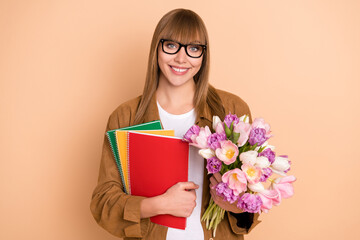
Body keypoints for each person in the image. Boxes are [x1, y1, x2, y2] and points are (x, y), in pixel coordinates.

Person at [90, 8, 260, 240]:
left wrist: (234, 205)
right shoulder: (126, 116)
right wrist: (158, 205)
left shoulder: (231, 110)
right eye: (171, 46)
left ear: (203, 54)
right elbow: (103, 203)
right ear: (156, 48)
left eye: (193, 49)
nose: (181, 58)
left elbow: (254, 200)